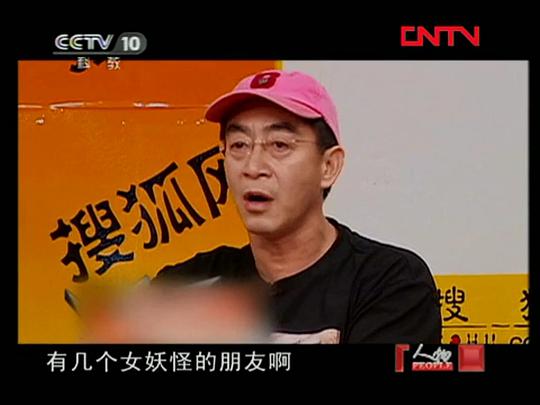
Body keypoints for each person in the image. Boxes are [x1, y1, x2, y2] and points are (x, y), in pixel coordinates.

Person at [153, 69, 442, 343]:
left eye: (279, 145)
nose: (253, 167)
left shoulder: (390, 283)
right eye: (239, 145)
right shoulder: (184, 287)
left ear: (328, 166)